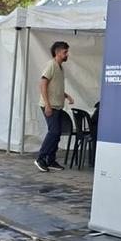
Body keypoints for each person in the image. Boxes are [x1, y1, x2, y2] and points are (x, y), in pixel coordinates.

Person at [35, 41, 74, 173]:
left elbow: (55, 86)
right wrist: (47, 105)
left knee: (56, 134)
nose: (67, 54)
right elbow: (43, 84)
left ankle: (51, 160)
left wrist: (66, 95)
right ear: (57, 53)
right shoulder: (51, 65)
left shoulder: (60, 67)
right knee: (54, 132)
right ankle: (40, 158)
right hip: (50, 106)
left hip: (57, 106)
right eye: (65, 52)